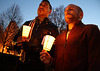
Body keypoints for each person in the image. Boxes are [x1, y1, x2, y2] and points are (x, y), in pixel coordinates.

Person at [40, 4, 100, 71]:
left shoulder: (90, 30)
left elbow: (95, 61)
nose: (67, 11)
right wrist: (50, 61)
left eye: (71, 9)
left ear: (81, 15)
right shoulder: (59, 37)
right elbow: (58, 63)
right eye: (65, 11)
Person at [14, 0, 59, 71]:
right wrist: (17, 43)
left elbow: (56, 49)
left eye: (45, 5)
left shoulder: (53, 28)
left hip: (40, 66)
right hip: (22, 64)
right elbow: (13, 42)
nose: (41, 6)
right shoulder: (27, 24)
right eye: (40, 5)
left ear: (49, 11)